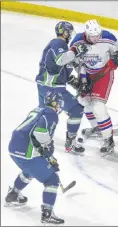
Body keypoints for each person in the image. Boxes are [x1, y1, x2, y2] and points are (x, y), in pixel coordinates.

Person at [5, 91, 65, 224]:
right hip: (27, 151)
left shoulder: (38, 110)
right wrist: (49, 154)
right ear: (55, 104)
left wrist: (47, 154)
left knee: (29, 170)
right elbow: (39, 132)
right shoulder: (51, 114)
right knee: (52, 179)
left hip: (14, 148)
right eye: (59, 104)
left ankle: (13, 194)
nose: (59, 107)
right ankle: (47, 214)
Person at [69, 19, 118, 153]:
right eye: (92, 36)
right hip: (87, 74)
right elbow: (77, 63)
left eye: (97, 35)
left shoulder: (108, 37)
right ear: (86, 34)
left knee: (98, 107)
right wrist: (83, 80)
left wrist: (117, 58)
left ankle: (109, 140)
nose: (95, 38)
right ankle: (98, 128)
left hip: (104, 74)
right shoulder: (77, 42)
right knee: (85, 102)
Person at [35, 21, 88, 155]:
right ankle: (70, 143)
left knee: (45, 114)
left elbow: (59, 68)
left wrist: (72, 80)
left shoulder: (61, 47)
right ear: (64, 32)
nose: (70, 35)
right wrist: (76, 50)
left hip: (45, 86)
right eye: (69, 32)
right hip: (52, 88)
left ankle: (39, 141)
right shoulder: (59, 43)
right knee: (76, 110)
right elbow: (60, 60)